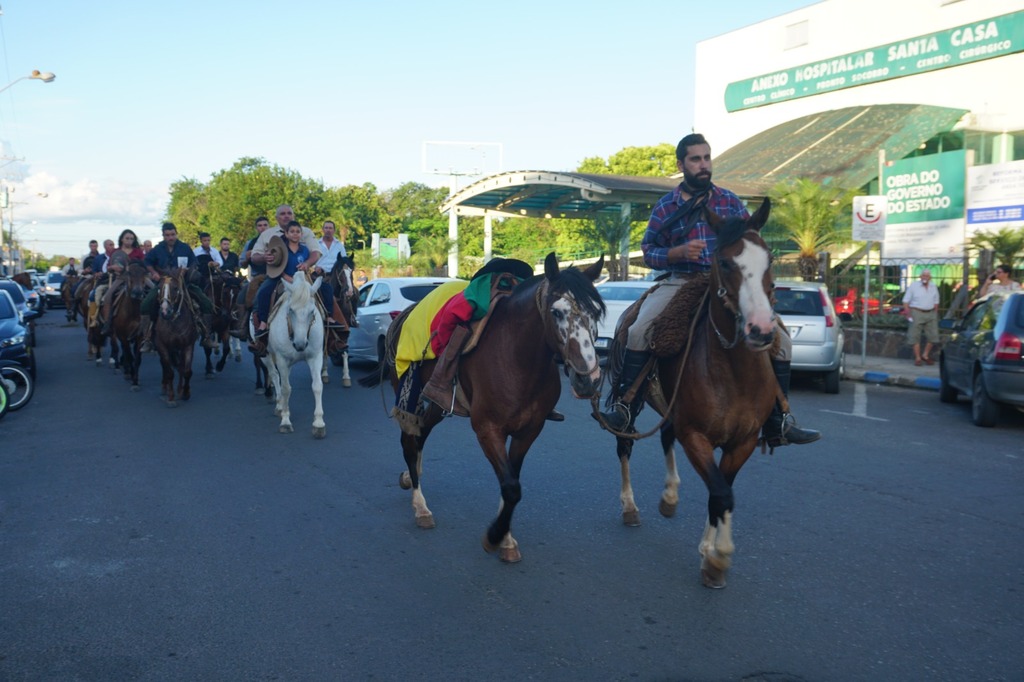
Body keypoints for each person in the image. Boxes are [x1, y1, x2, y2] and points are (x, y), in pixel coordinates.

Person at [597, 133, 820, 449]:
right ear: (681, 165)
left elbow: (749, 241)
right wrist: (676, 253)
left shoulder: (729, 201)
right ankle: (625, 408)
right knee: (638, 330)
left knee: (782, 342)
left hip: (729, 283)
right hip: (682, 280)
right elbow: (648, 251)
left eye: (706, 158)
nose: (703, 165)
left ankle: (779, 421)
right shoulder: (666, 206)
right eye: (695, 159)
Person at [139, 222, 217, 351]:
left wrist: (187, 270)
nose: (170, 237)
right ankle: (147, 339)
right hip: (163, 285)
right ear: (163, 236)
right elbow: (147, 262)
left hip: (184, 284)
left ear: (176, 234)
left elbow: (194, 263)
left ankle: (206, 336)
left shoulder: (185, 248)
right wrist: (153, 273)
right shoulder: (157, 249)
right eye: (167, 235)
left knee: (207, 303)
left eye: (172, 234)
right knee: (145, 305)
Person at [247, 205, 327, 329]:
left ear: (293, 216)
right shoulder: (267, 234)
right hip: (276, 275)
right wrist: (264, 257)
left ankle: (330, 325)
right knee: (262, 293)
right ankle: (261, 325)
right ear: (276, 218)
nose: (286, 216)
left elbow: (316, 252)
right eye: (283, 214)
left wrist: (307, 263)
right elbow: (254, 256)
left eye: (289, 213)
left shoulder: (306, 232)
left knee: (326, 290)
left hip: (303, 275)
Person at [254, 221, 308, 337]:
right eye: (292, 232)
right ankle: (263, 322)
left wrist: (306, 266)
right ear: (286, 234)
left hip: (301, 279)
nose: (295, 234)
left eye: (298, 232)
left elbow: (307, 265)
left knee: (324, 289)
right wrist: (286, 277)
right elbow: (276, 266)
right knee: (263, 293)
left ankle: (327, 319)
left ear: (301, 234)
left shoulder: (305, 250)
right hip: (281, 278)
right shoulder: (280, 249)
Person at [98, 229, 146, 335]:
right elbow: (108, 267)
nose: (129, 240)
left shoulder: (138, 251)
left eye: (132, 239)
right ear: (122, 239)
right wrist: (112, 267)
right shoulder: (116, 252)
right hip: (121, 278)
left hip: (138, 278)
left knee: (154, 291)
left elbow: (145, 264)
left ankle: (154, 322)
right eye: (127, 238)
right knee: (108, 296)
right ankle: (107, 323)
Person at [902, 269, 940, 366]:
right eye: (923, 275)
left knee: (933, 336)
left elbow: (936, 302)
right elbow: (905, 301)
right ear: (920, 276)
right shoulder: (914, 286)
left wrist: (935, 314)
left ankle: (925, 355)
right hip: (916, 312)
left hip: (930, 312)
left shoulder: (933, 286)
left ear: (930, 277)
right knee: (915, 335)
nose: (925, 277)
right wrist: (908, 314)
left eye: (927, 276)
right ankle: (918, 358)